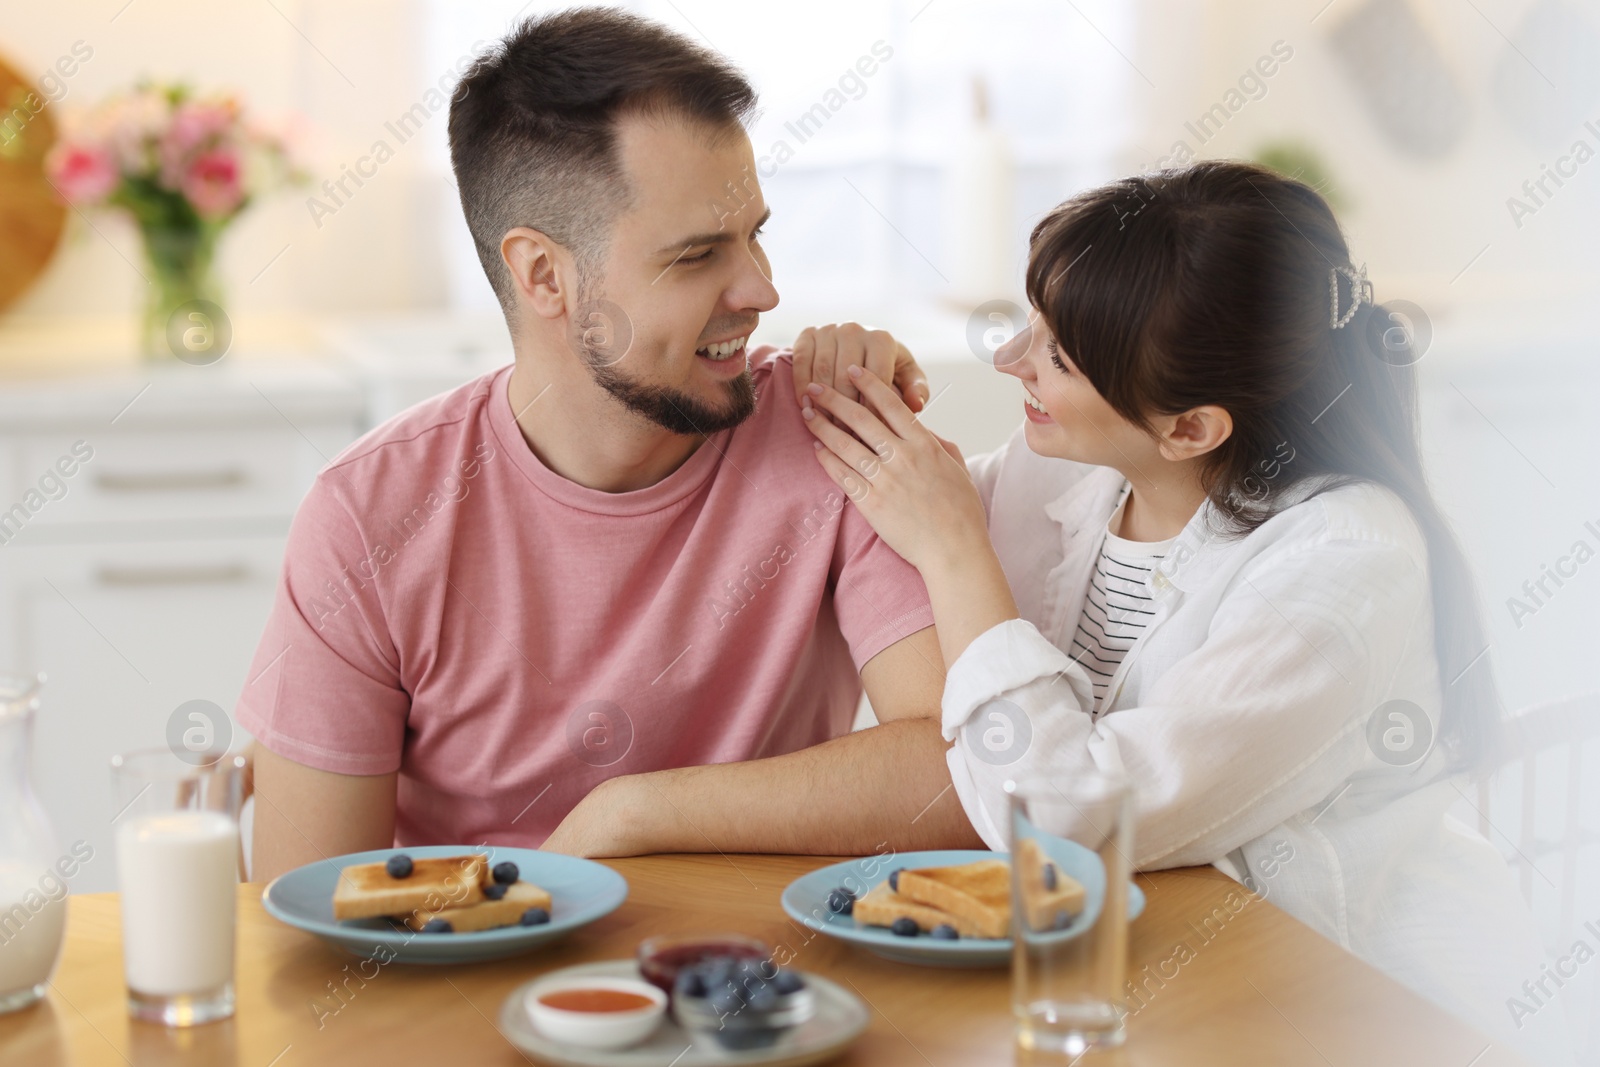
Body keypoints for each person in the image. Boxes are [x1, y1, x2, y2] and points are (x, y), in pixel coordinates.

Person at [801, 161, 1573, 1063]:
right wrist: (853, 386)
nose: (1010, 359)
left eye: (1056, 353)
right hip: (1134, 983)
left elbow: (1068, 820)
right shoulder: (1069, 464)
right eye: (1035, 323)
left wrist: (955, 550)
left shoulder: (1348, 564)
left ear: (1191, 429)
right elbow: (894, 515)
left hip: (1349, 1007)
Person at [238, 7, 983, 882]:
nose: (763, 289)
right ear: (543, 275)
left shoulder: (840, 433)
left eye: (756, 235)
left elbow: (966, 775)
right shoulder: (370, 515)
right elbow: (307, 905)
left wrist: (629, 813)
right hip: (474, 985)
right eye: (698, 254)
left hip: (756, 995)